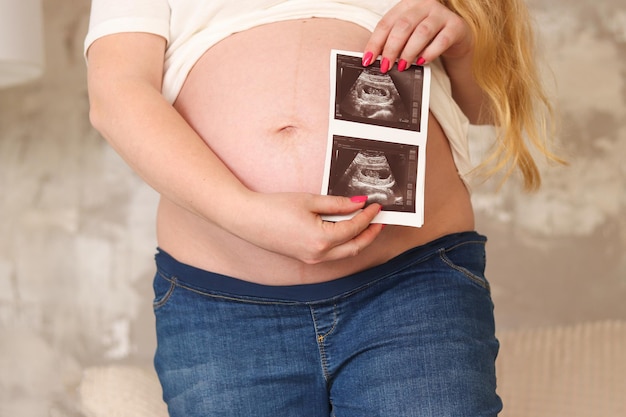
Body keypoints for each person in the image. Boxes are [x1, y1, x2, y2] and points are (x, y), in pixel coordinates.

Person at [85, 1, 561, 416]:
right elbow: (116, 94)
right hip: (221, 306)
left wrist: (462, 45)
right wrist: (245, 212)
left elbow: (490, 108)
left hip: (411, 285)